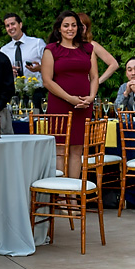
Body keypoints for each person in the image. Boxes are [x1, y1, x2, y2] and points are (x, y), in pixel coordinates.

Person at [43, 11, 99, 178]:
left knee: (77, 149)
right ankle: (61, 197)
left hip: (83, 106)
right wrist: (70, 98)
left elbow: (94, 76)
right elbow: (47, 81)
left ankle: (73, 195)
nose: (70, 29)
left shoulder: (88, 49)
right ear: (59, 28)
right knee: (60, 149)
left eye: (74, 25)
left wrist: (91, 97)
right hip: (60, 105)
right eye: (66, 25)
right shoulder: (51, 49)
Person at [0, 13, 47, 104]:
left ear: (20, 24)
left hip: (36, 93)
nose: (10, 28)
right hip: (14, 95)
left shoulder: (37, 43)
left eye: (13, 24)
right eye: (7, 26)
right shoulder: (4, 50)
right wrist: (8, 73)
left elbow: (51, 68)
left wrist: (40, 68)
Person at [77, 12, 118, 85]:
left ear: (86, 28)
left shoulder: (92, 45)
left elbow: (114, 64)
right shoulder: (65, 46)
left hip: (85, 90)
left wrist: (97, 82)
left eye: (82, 26)